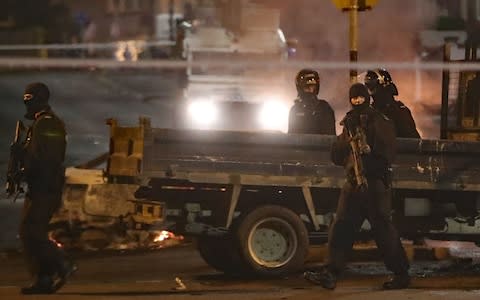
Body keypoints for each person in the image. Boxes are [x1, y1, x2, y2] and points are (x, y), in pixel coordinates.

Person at [304, 83, 410, 290]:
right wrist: (347, 139)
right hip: (353, 184)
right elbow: (336, 156)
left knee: (383, 230)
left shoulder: (380, 121)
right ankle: (330, 273)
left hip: (374, 186)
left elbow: (387, 155)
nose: (357, 102)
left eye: (361, 98)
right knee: (341, 227)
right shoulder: (350, 122)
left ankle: (401, 273)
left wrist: (367, 155)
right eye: (354, 99)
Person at [18, 82, 77, 294]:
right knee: (30, 232)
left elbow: (49, 158)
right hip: (40, 186)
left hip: (46, 187)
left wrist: (30, 169)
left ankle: (61, 263)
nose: (27, 105)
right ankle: (42, 279)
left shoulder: (48, 123)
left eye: (30, 100)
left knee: (31, 232)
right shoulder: (40, 123)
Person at [364, 69, 420, 138]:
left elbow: (412, 142)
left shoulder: (399, 112)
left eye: (371, 85)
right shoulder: (369, 112)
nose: (369, 90)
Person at [288, 69, 336, 135]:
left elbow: (331, 136)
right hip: (300, 145)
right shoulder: (295, 110)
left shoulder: (324, 108)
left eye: (312, 88)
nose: (310, 90)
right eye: (307, 88)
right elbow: (291, 136)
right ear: (300, 88)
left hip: (321, 145)